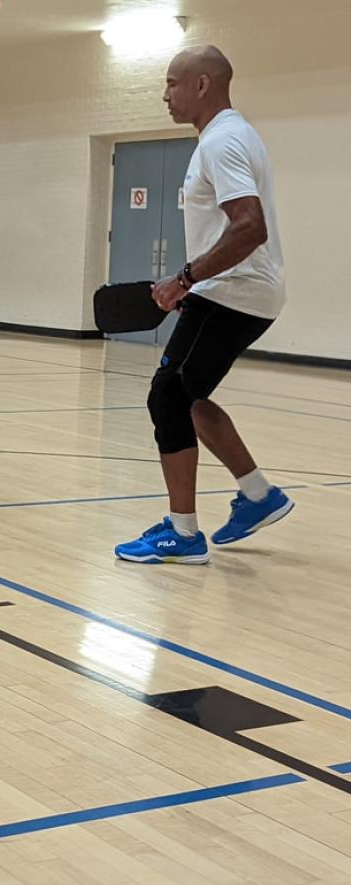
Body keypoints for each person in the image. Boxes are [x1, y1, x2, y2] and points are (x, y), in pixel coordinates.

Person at [114, 45, 293, 565]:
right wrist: (190, 284)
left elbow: (249, 227)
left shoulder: (223, 142)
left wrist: (186, 278)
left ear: (202, 85)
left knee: (167, 396)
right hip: (232, 292)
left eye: (172, 82)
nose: (164, 93)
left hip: (234, 293)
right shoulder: (224, 138)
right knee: (187, 396)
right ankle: (259, 494)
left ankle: (183, 533)